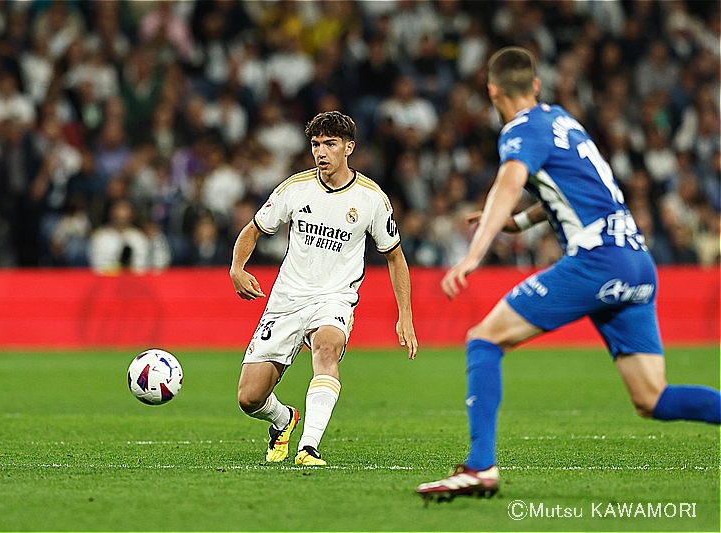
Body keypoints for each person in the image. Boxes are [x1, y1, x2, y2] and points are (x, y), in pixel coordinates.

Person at [416, 47, 721, 501]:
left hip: (598, 261)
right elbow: (574, 190)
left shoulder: (519, 130)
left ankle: (480, 467)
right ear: (536, 85)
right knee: (652, 398)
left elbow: (510, 182)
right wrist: (519, 223)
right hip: (636, 259)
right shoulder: (562, 121)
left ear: (491, 90)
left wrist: (474, 254)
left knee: (484, 337)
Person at [230, 111, 418, 466]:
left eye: (330, 144)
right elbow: (253, 229)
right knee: (249, 398)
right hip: (286, 300)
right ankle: (284, 421)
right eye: (316, 144)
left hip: (334, 299)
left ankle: (309, 447)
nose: (321, 152)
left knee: (327, 351)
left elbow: (395, 257)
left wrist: (404, 316)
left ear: (349, 148)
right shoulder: (294, 188)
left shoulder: (371, 198)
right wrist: (237, 267)